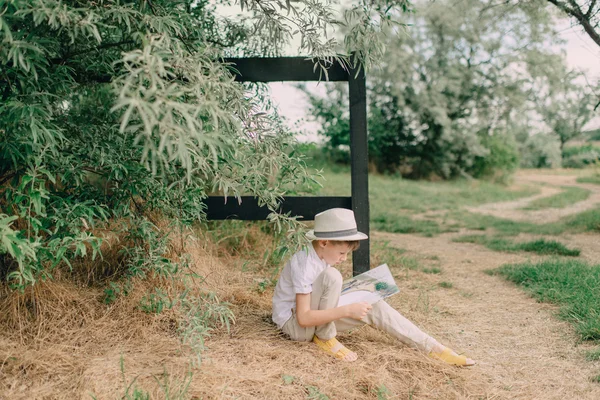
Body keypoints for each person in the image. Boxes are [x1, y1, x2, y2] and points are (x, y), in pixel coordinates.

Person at [272, 208, 475, 365]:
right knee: (333, 277)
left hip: (311, 317)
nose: (343, 259)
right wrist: (347, 309)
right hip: (297, 327)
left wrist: (361, 295)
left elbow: (322, 299)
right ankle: (325, 338)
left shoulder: (323, 255)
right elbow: (304, 318)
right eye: (342, 253)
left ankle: (433, 348)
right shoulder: (305, 263)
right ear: (324, 242)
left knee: (373, 303)